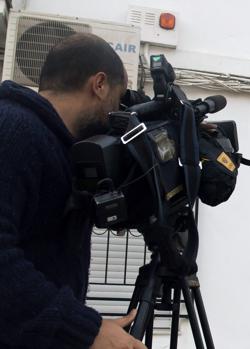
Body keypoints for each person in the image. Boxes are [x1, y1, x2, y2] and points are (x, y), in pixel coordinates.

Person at [0, 33, 146, 349]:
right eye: (117, 99)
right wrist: (85, 329)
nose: (115, 113)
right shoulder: (13, 129)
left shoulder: (60, 146)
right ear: (100, 84)